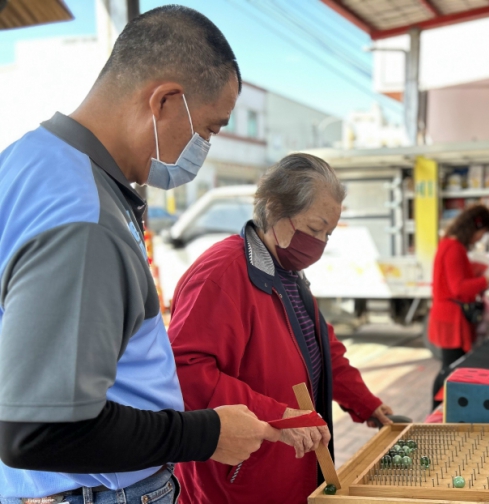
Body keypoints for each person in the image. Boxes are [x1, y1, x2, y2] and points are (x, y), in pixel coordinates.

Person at [0, 7, 290, 503]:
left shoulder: (26, 162)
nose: (203, 147)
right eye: (209, 130)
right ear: (164, 102)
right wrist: (207, 434)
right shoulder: (85, 220)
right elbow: (38, 430)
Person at [169, 153, 392, 504]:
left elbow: (322, 350)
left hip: (291, 464)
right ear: (274, 208)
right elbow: (187, 373)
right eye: (314, 229)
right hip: (242, 475)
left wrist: (367, 404)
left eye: (328, 234)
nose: (319, 243)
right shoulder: (223, 272)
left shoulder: (286, 273)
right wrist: (281, 416)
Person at [429, 206, 489, 403]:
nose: (480, 238)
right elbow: (459, 288)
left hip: (447, 313)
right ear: (475, 228)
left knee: (450, 367)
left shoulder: (448, 244)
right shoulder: (454, 248)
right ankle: (438, 411)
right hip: (452, 316)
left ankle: (439, 409)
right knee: (452, 369)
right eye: (483, 233)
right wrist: (487, 279)